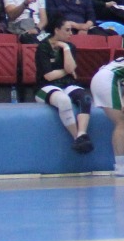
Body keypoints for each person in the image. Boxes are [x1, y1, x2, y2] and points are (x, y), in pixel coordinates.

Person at [34, 15, 94, 153]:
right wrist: (67, 71)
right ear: (56, 30)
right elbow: (49, 76)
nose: (70, 33)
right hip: (45, 86)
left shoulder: (70, 46)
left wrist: (65, 48)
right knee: (63, 100)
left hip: (67, 84)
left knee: (85, 98)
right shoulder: (43, 47)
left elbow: (71, 68)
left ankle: (82, 134)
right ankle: (76, 137)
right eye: (67, 30)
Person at [90, 53, 124, 176]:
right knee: (121, 121)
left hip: (104, 77)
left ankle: (123, 164)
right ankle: (122, 166)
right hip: (107, 80)